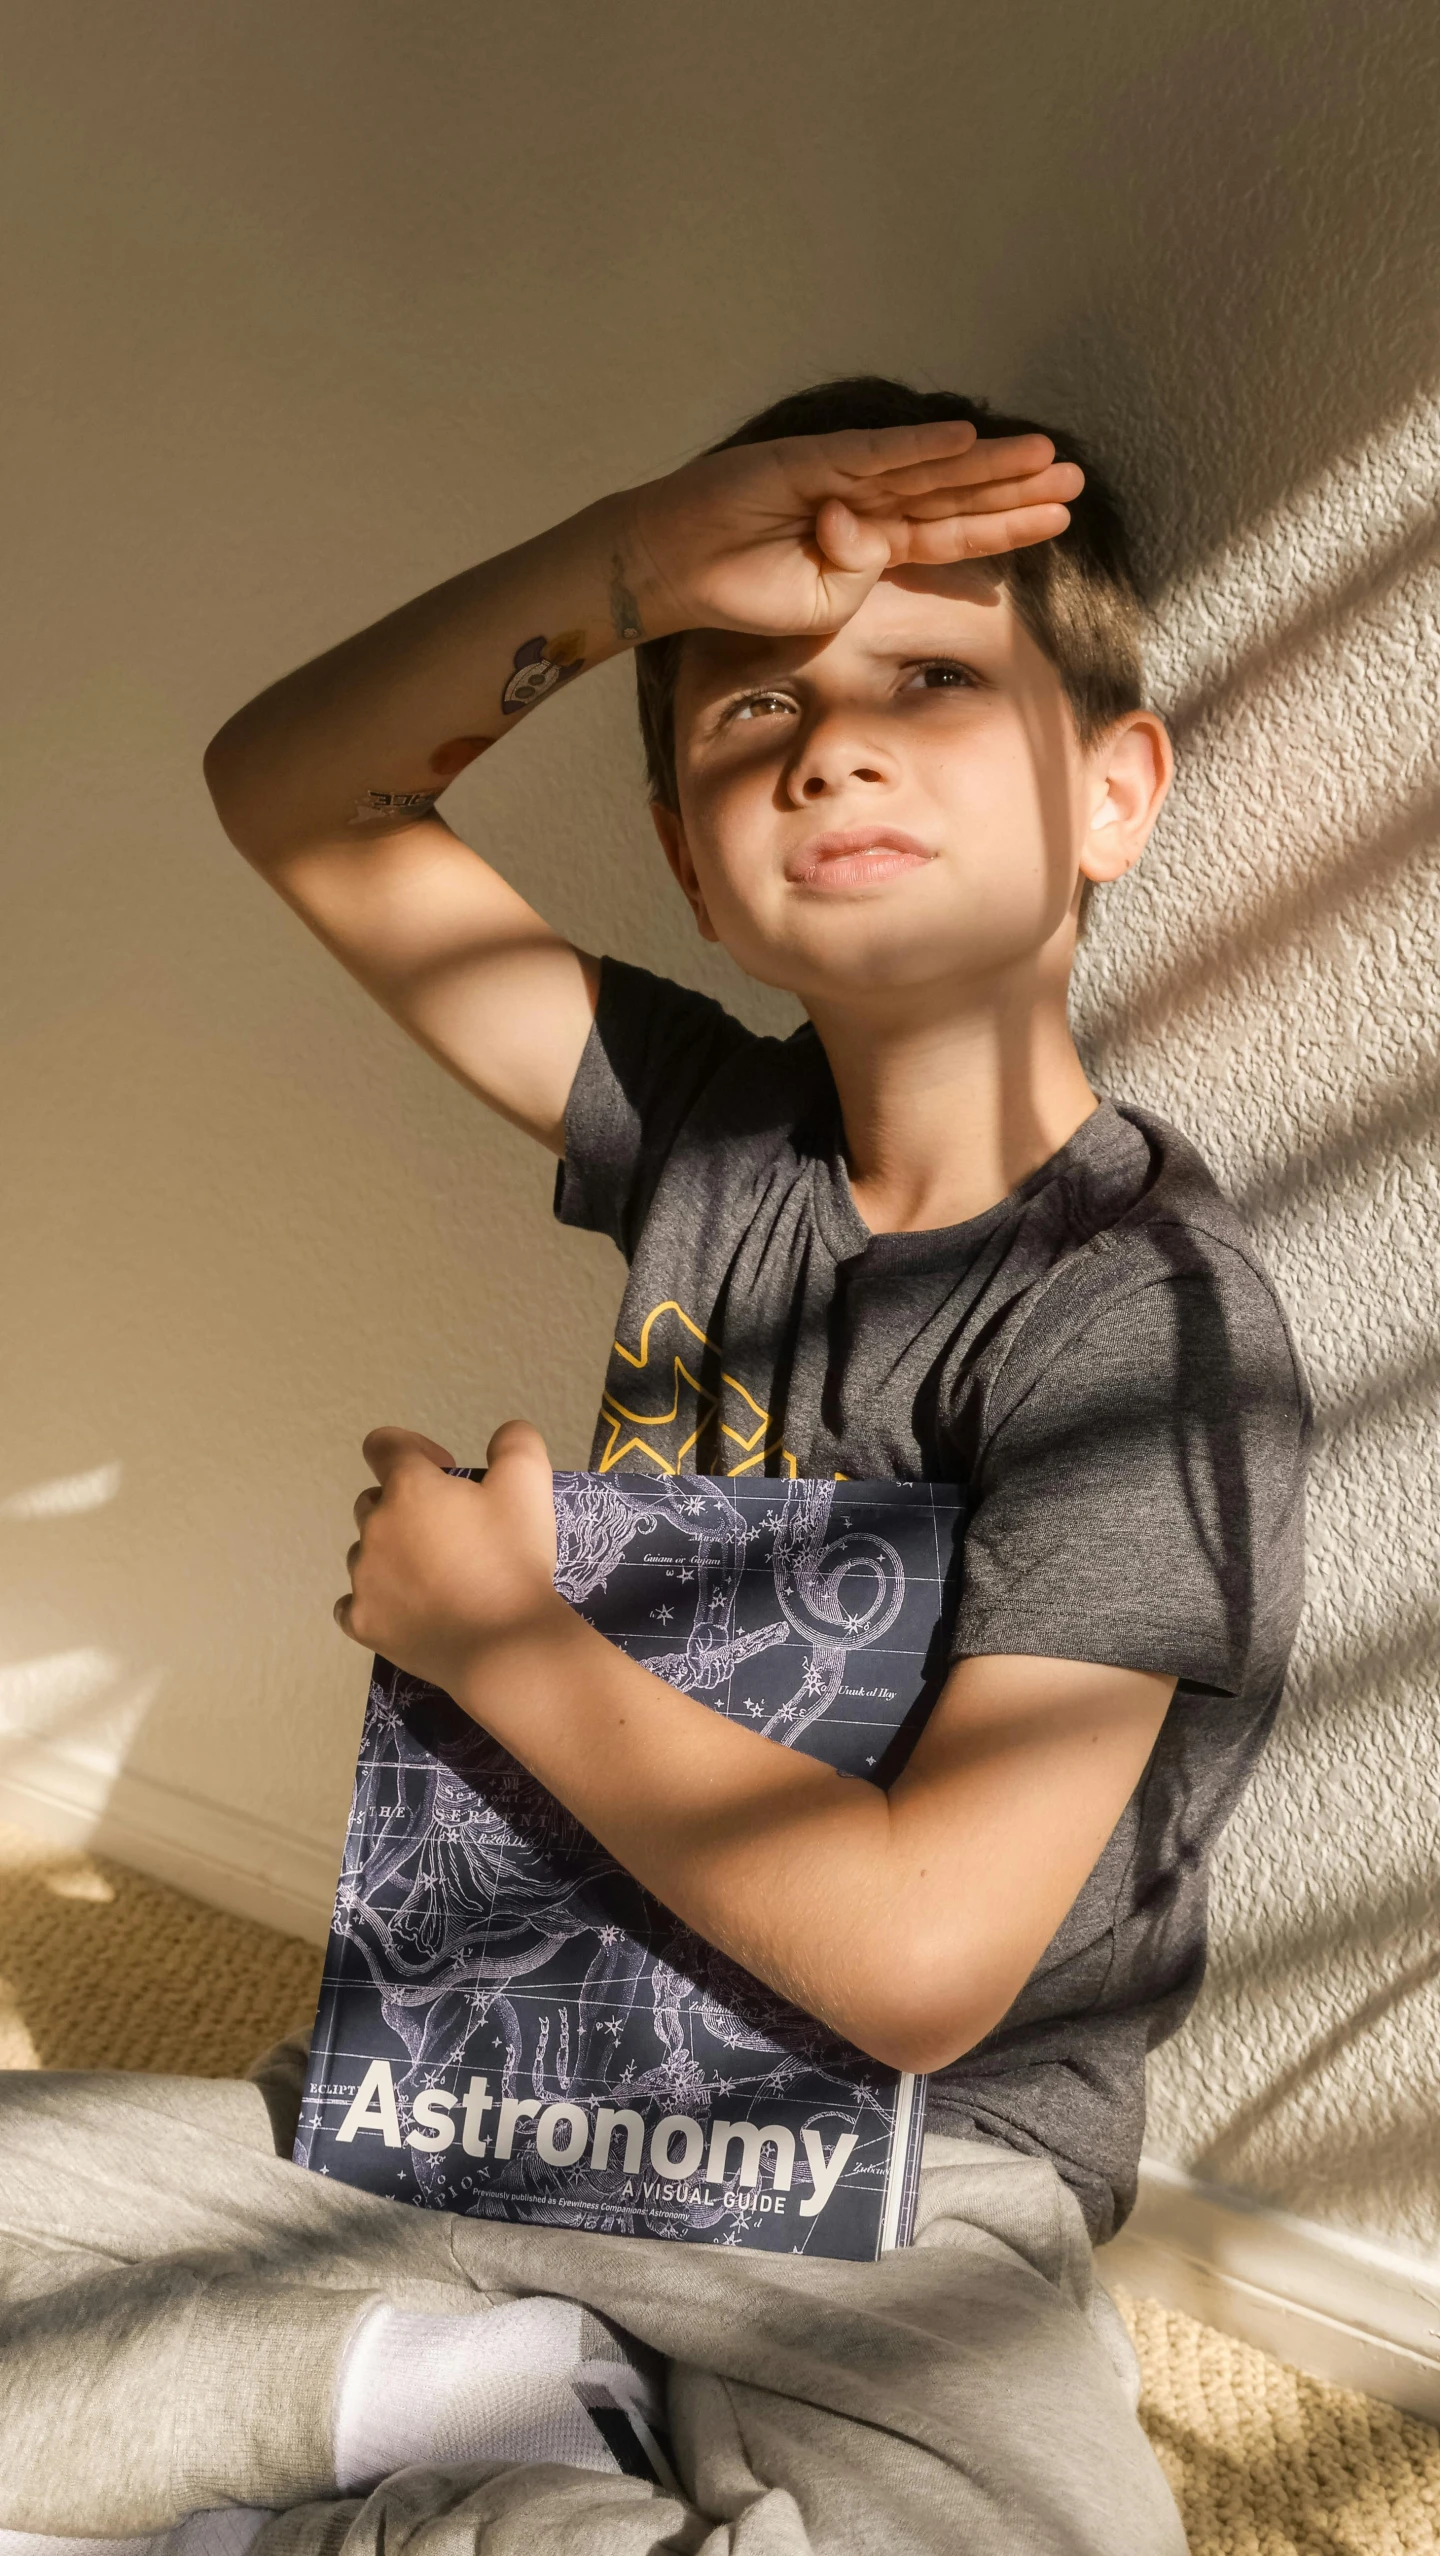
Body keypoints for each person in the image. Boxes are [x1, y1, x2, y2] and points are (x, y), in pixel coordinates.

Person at [0, 380, 1309, 2554]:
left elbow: (922, 1963)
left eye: (928, 680)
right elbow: (295, 793)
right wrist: (628, 567)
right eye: (750, 716)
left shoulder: (1145, 1329)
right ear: (700, 866)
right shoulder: (708, 1128)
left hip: (900, 2187)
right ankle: (445, 2400)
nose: (832, 743)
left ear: (1117, 794)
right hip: (511, 2093)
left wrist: (504, 1641)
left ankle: (433, 2465)